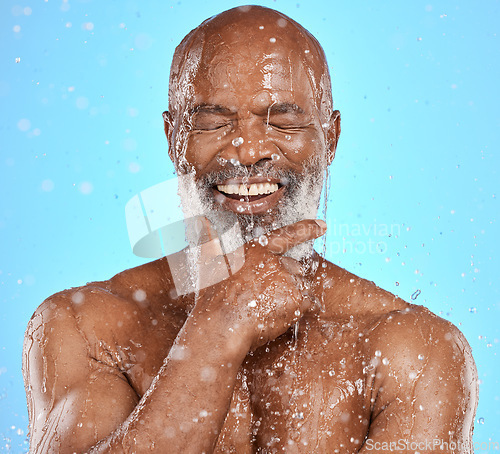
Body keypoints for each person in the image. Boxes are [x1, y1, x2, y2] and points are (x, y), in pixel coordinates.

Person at [23, 5, 478, 453]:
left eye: (282, 121)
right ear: (173, 140)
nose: (247, 151)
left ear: (331, 137)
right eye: (213, 123)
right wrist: (216, 332)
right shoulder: (85, 329)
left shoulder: (414, 352)